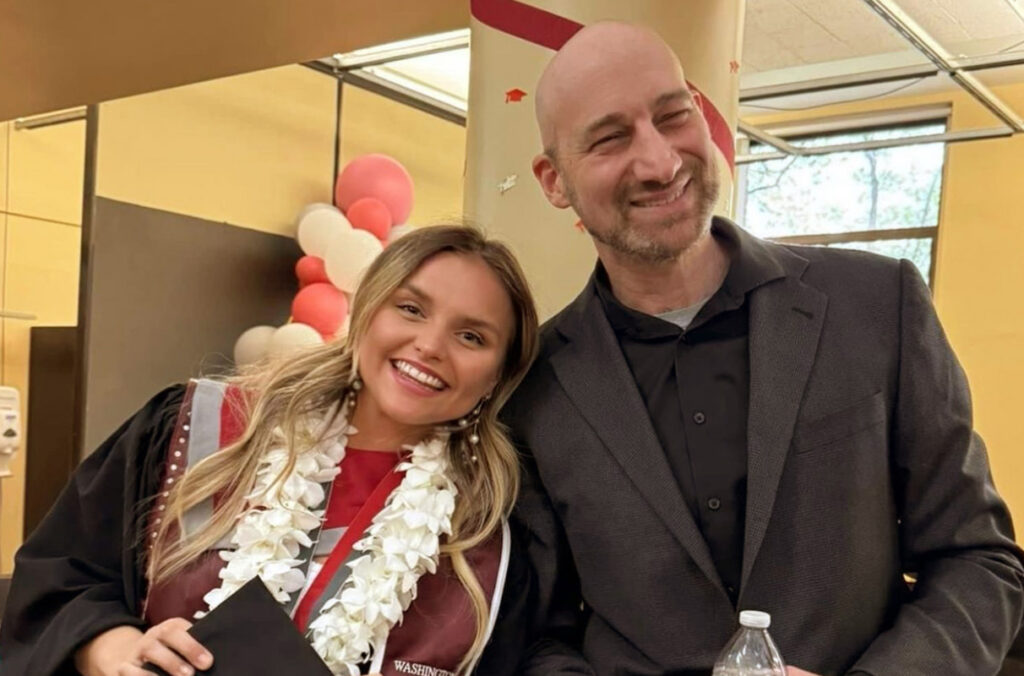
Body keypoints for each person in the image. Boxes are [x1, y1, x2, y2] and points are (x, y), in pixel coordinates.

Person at [506, 20, 1024, 676]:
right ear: (554, 181)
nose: (662, 162)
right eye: (610, 139)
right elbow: (538, 637)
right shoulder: (534, 387)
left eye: (674, 115)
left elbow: (979, 561)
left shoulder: (876, 306)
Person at [0, 225, 540, 676]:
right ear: (368, 312)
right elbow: (60, 576)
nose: (430, 345)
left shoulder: (494, 531)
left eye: (472, 337)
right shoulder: (196, 428)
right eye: (411, 308)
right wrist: (110, 647)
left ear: (498, 374)